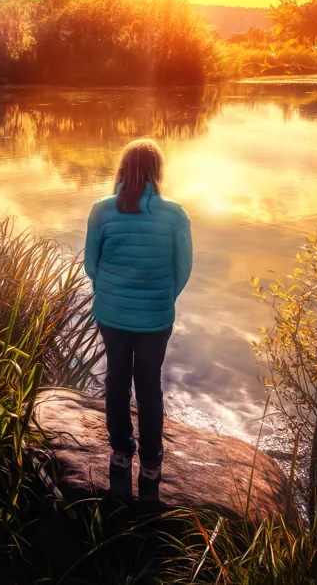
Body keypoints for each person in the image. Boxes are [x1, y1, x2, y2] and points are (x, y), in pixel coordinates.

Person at [83, 138, 193, 501]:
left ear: (122, 170)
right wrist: (161, 298)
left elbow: (91, 266)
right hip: (155, 318)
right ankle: (150, 463)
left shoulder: (102, 210)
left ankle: (119, 452)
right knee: (149, 387)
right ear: (156, 172)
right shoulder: (175, 214)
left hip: (112, 315)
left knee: (116, 378)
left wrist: (112, 293)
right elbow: (183, 270)